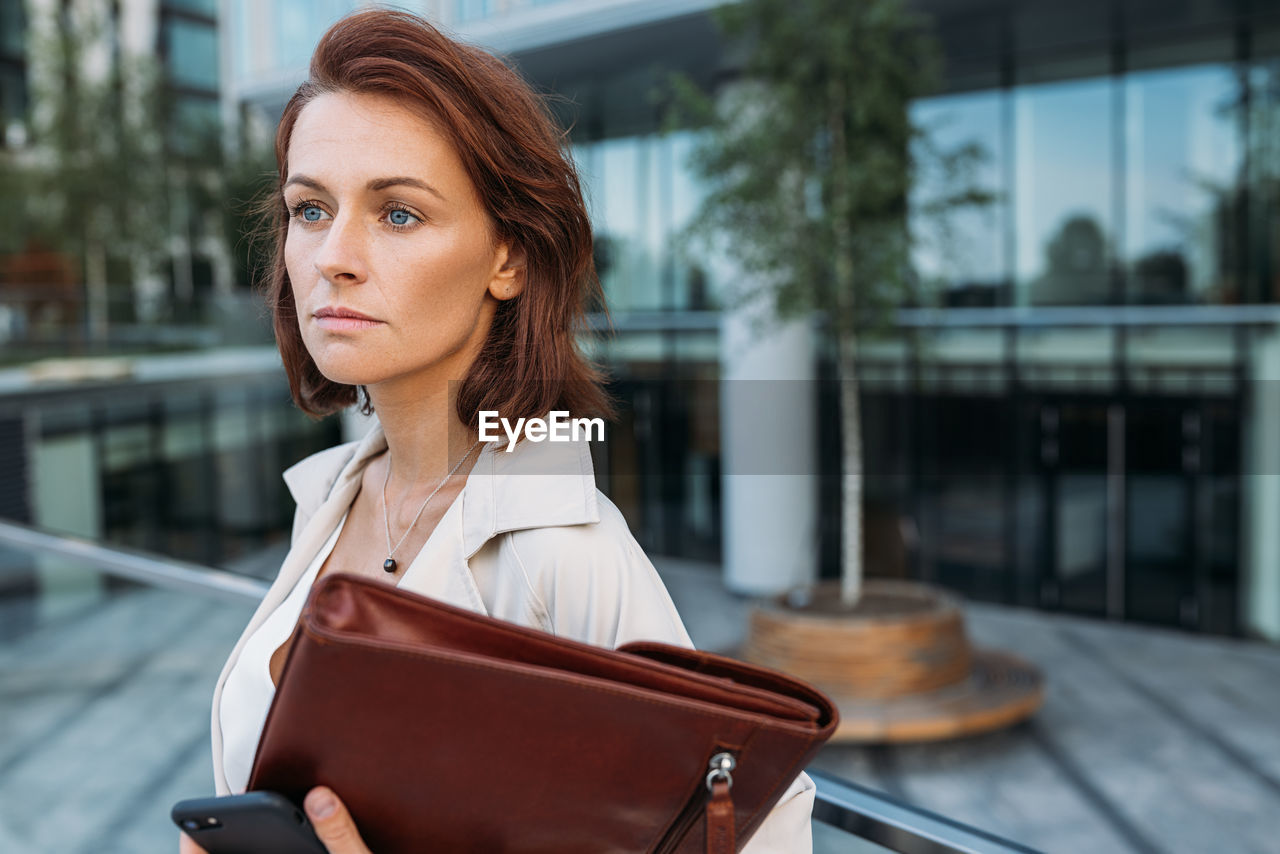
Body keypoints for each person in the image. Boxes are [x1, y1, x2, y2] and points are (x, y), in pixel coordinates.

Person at [182, 9, 815, 853]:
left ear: (507, 259)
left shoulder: (565, 552)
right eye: (309, 208)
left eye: (398, 214)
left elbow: (765, 831)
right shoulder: (334, 497)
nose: (333, 254)